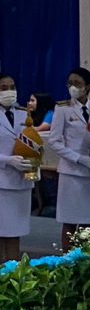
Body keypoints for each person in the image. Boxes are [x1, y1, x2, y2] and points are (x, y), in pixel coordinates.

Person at [48, 67, 90, 249]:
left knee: (88, 222)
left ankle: (84, 259)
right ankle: (68, 260)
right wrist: (79, 158)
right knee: (69, 221)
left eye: (77, 83)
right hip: (72, 173)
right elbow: (54, 141)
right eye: (70, 83)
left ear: (87, 86)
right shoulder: (63, 109)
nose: (73, 87)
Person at [0, 73, 35, 261]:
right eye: (3, 88)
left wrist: (33, 165)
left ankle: (14, 272)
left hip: (21, 181)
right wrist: (7, 160)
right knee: (1, 232)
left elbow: (32, 144)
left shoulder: (23, 113)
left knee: (15, 231)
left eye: (12, 87)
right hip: (2, 181)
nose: (9, 91)